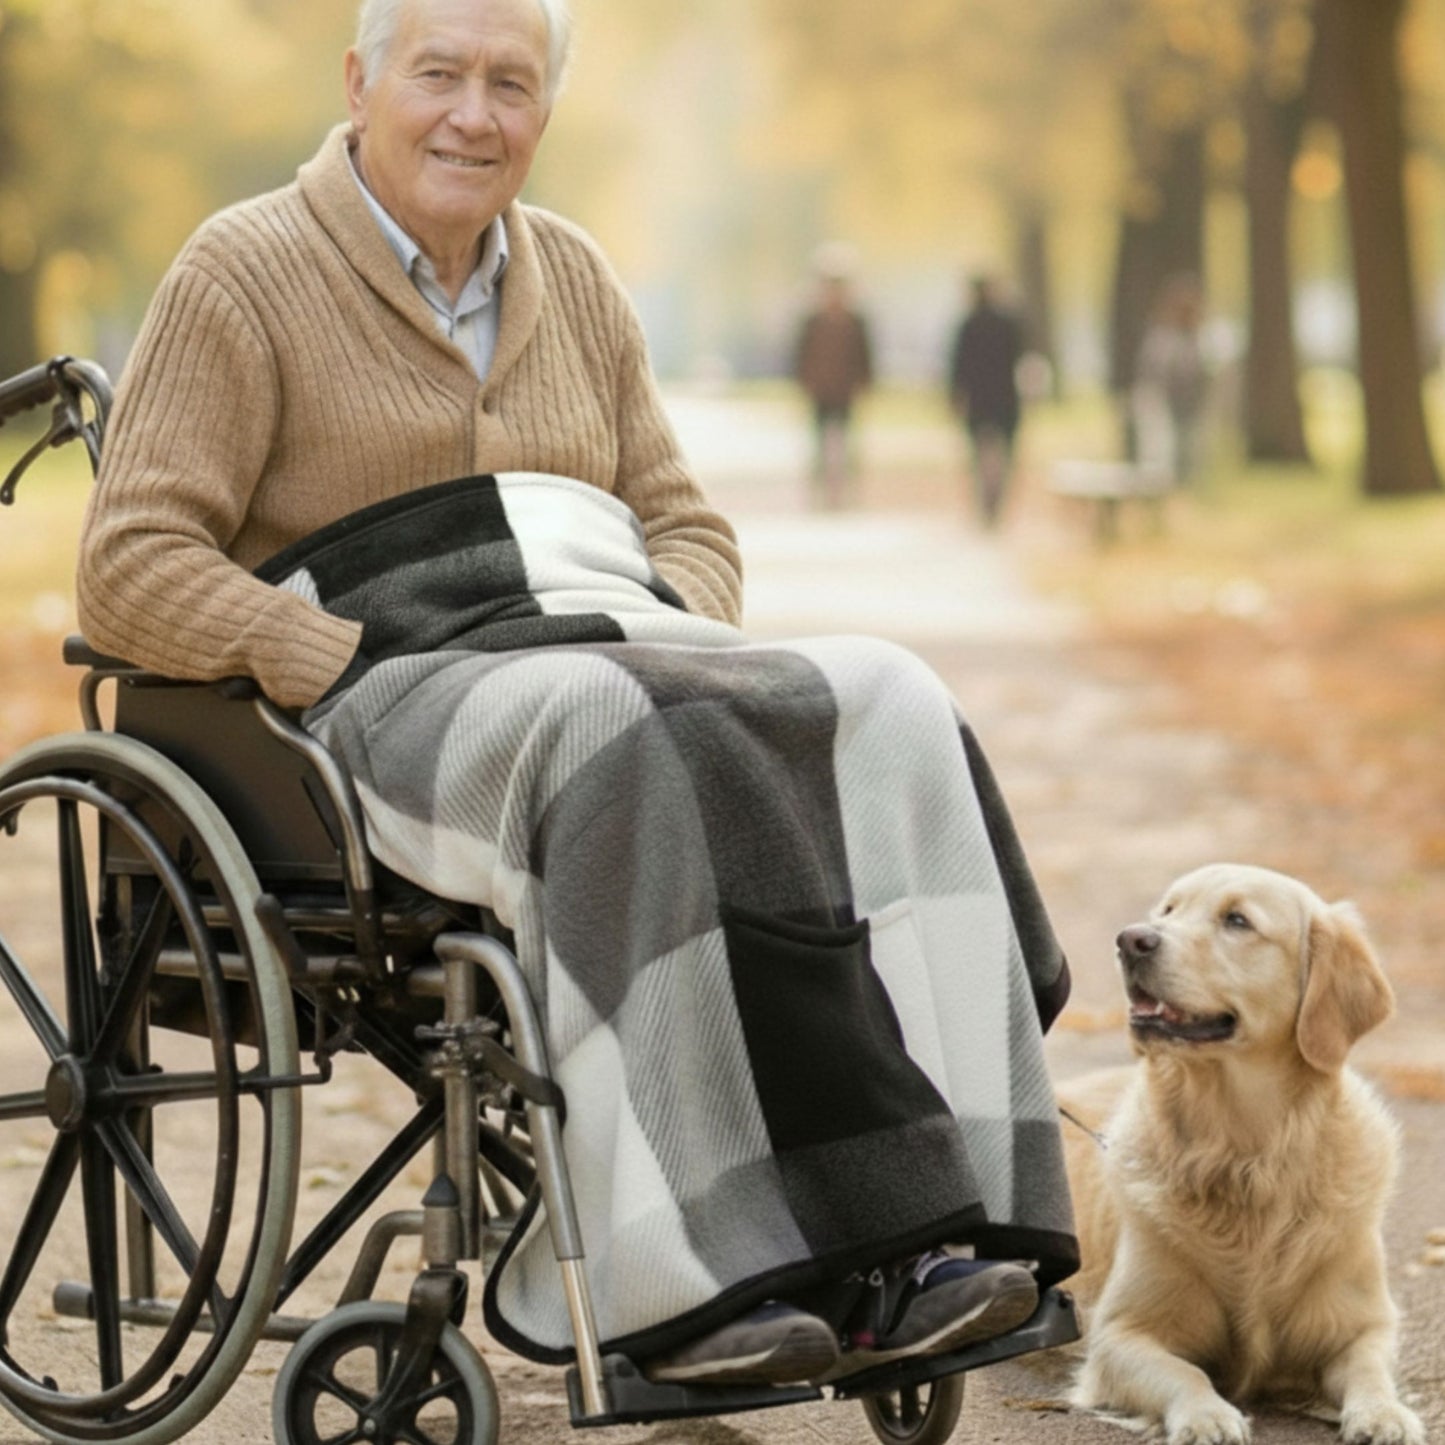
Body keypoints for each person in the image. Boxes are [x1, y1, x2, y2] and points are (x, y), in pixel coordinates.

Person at [77, 0, 1076, 1390]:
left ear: (543, 110)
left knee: (883, 696)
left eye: (510, 83)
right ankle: (677, 1284)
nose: (473, 116)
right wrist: (324, 652)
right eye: (439, 75)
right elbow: (128, 567)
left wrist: (667, 635)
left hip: (605, 652)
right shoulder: (241, 271)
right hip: (384, 697)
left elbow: (688, 526)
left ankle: (931, 1235)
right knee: (614, 731)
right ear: (358, 83)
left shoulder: (578, 277)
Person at [790, 260, 873, 509]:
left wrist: (865, 382)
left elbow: (864, 355)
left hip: (845, 390)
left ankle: (846, 493)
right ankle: (820, 493)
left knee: (845, 443)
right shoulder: (812, 321)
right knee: (819, 443)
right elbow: (801, 355)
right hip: (820, 389)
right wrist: (804, 382)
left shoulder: (856, 321)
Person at [946, 274, 1024, 529]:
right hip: (1005, 399)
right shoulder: (1008, 323)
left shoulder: (968, 325)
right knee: (1004, 455)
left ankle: (984, 503)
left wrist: (955, 398)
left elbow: (957, 367)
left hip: (979, 401)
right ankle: (995, 504)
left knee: (978, 456)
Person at [1132, 272, 1209, 485]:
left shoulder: (1194, 339)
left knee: (1186, 451)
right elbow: (1156, 376)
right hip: (1161, 405)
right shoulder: (1163, 339)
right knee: (1161, 454)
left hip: (1186, 406)